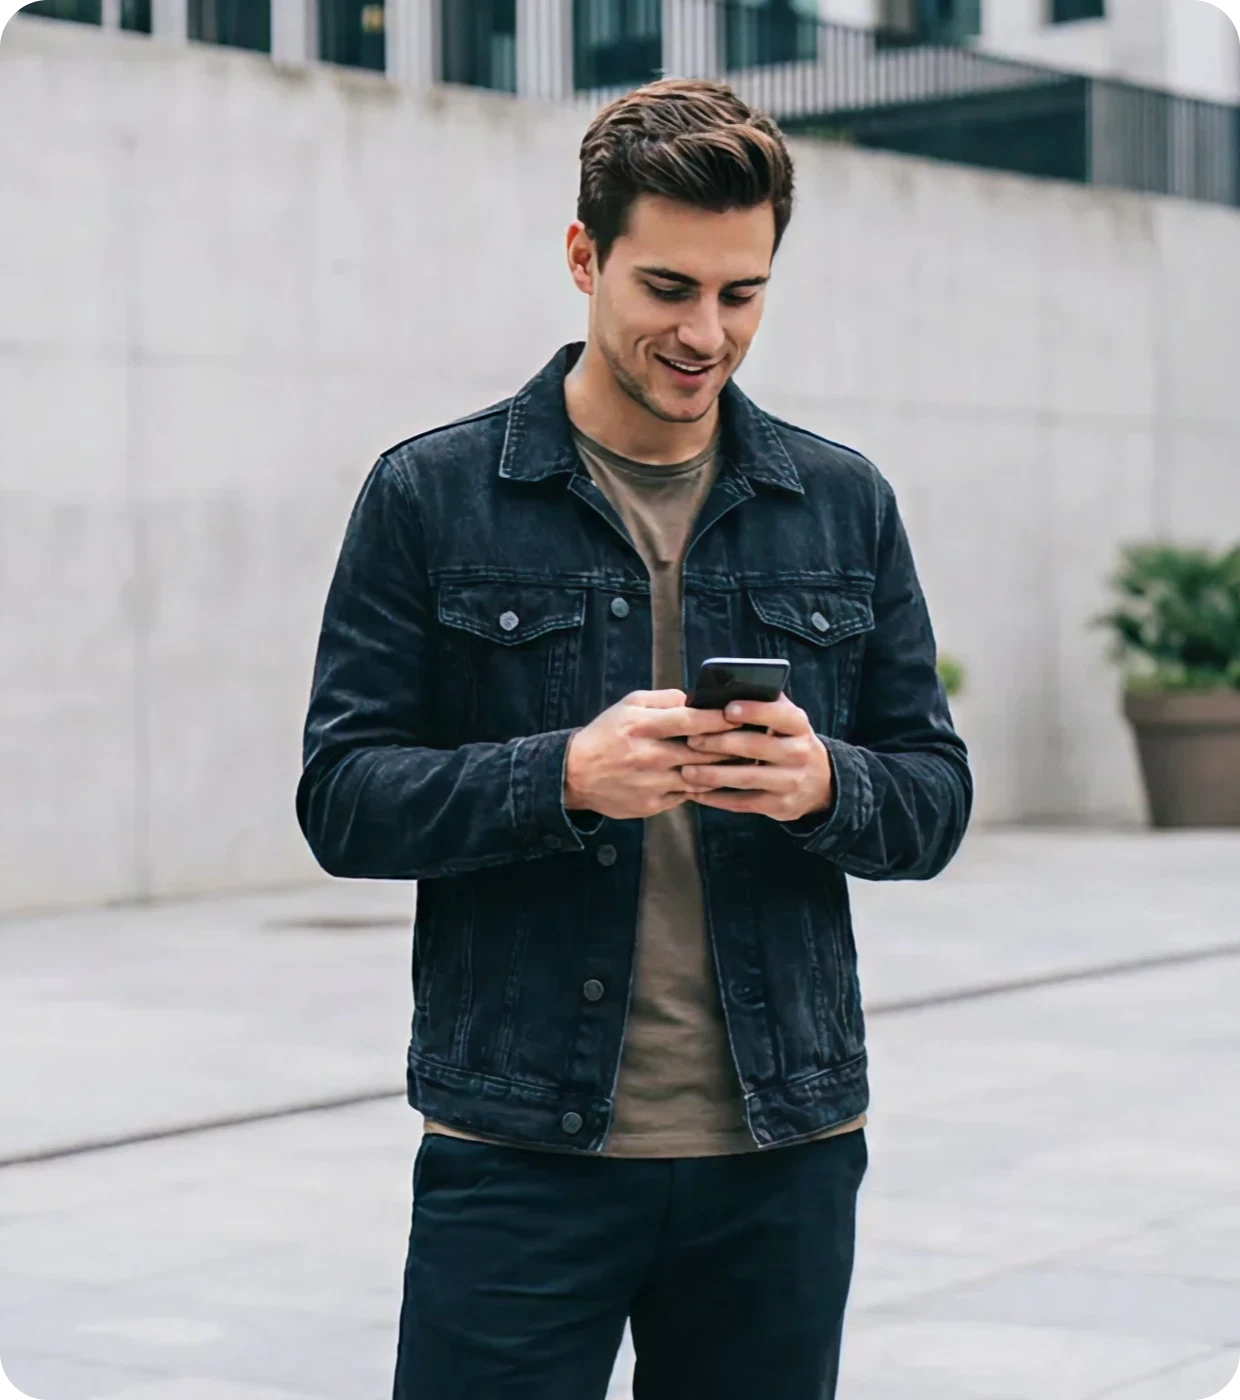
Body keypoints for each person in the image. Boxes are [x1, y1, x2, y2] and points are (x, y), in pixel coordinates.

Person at [297, 77, 972, 1400]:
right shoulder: (432, 495)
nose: (706, 333)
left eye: (743, 294)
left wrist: (828, 783)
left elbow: (935, 796)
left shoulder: (840, 501)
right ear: (582, 257)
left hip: (783, 1151)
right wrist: (561, 777)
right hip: (520, 1148)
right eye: (668, 288)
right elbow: (345, 797)